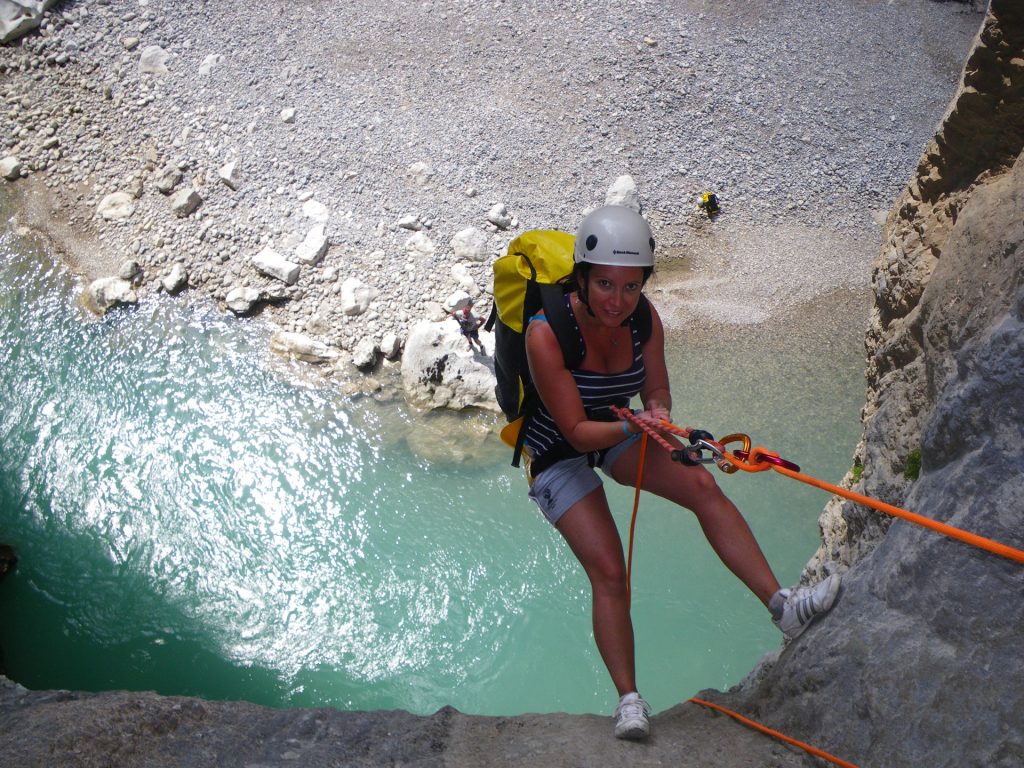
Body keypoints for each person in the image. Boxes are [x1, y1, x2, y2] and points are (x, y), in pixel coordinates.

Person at [522, 205, 840, 740]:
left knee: (702, 484)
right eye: (603, 284)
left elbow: (657, 388)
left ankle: (782, 606)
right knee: (609, 569)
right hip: (558, 449)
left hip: (620, 430)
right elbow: (576, 432)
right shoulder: (545, 332)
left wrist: (660, 414)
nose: (616, 301)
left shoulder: (643, 318)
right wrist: (637, 427)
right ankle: (629, 702)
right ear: (580, 277)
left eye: (629, 287)